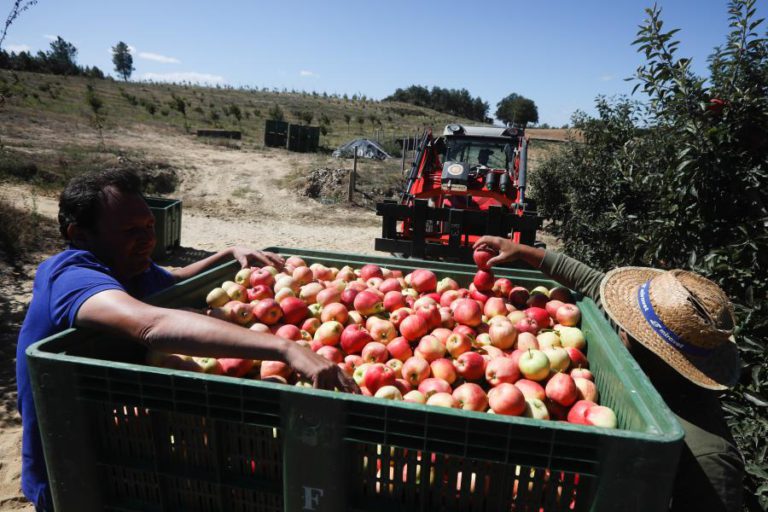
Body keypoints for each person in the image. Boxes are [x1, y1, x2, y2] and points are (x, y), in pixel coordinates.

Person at [16, 168, 358, 511]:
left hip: (126, 448)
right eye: (130, 230)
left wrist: (227, 254)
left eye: (150, 226)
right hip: (73, 465)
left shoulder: (128, 267)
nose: (147, 238)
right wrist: (284, 347)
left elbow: (173, 277)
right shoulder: (71, 275)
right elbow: (150, 325)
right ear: (81, 235)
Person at [472, 236, 744, 512]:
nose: (623, 324)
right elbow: (589, 281)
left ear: (661, 353)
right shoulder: (635, 339)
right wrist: (521, 251)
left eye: (635, 326)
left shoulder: (706, 455)